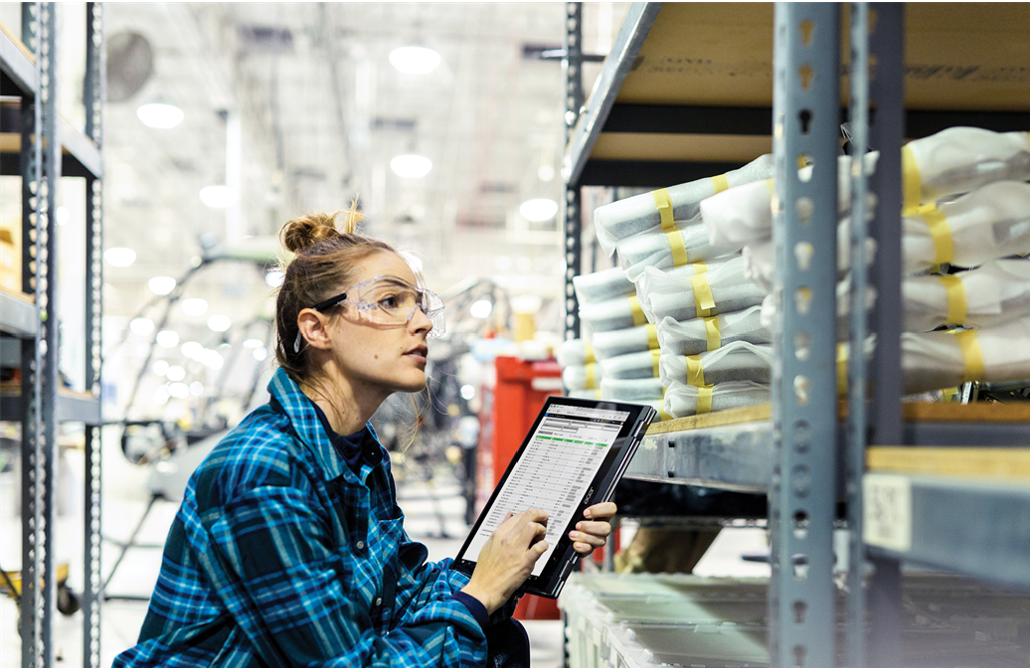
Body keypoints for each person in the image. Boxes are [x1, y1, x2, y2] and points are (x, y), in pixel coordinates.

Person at [113, 208, 617, 668]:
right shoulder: (260, 471)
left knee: (502, 643)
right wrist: (479, 592)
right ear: (317, 329)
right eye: (390, 301)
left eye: (419, 305)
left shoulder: (356, 452)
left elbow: (400, 597)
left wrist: (520, 547)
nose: (421, 323)